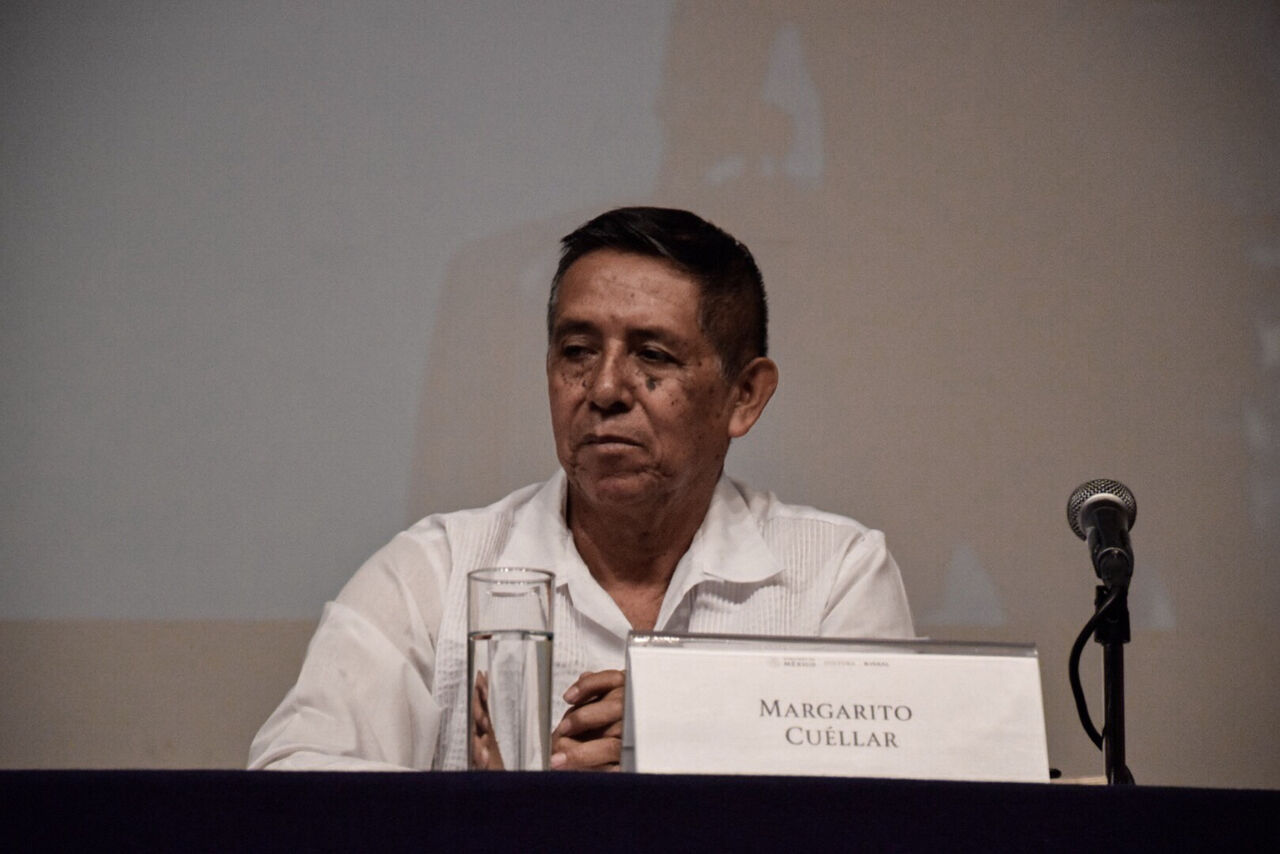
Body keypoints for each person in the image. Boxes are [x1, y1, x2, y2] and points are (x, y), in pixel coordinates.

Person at [248, 206, 914, 771]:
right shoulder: (433, 573)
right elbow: (289, 794)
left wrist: (690, 739)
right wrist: (496, 819)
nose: (603, 389)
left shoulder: (835, 578)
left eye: (652, 355)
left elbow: (894, 818)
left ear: (744, 396)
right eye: (577, 351)